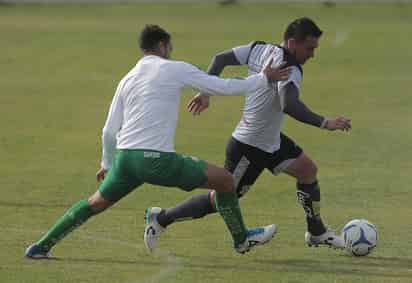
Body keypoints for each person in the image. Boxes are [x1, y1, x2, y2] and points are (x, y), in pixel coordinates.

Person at [24, 24, 290, 259]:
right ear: (162, 45)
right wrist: (262, 78)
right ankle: (242, 239)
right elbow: (221, 86)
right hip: (156, 160)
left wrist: (106, 163)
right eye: (169, 46)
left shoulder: (127, 79)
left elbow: (108, 130)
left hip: (125, 159)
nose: (171, 51)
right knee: (225, 180)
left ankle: (41, 246)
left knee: (95, 203)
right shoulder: (174, 69)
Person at [144, 18, 352, 253]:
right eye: (310, 48)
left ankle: (316, 232)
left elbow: (220, 59)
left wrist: (205, 92)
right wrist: (326, 123)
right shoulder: (289, 68)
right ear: (293, 43)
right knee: (221, 198)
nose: (312, 54)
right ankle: (161, 218)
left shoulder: (259, 48)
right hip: (249, 146)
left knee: (307, 171)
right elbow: (289, 104)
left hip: (271, 141)